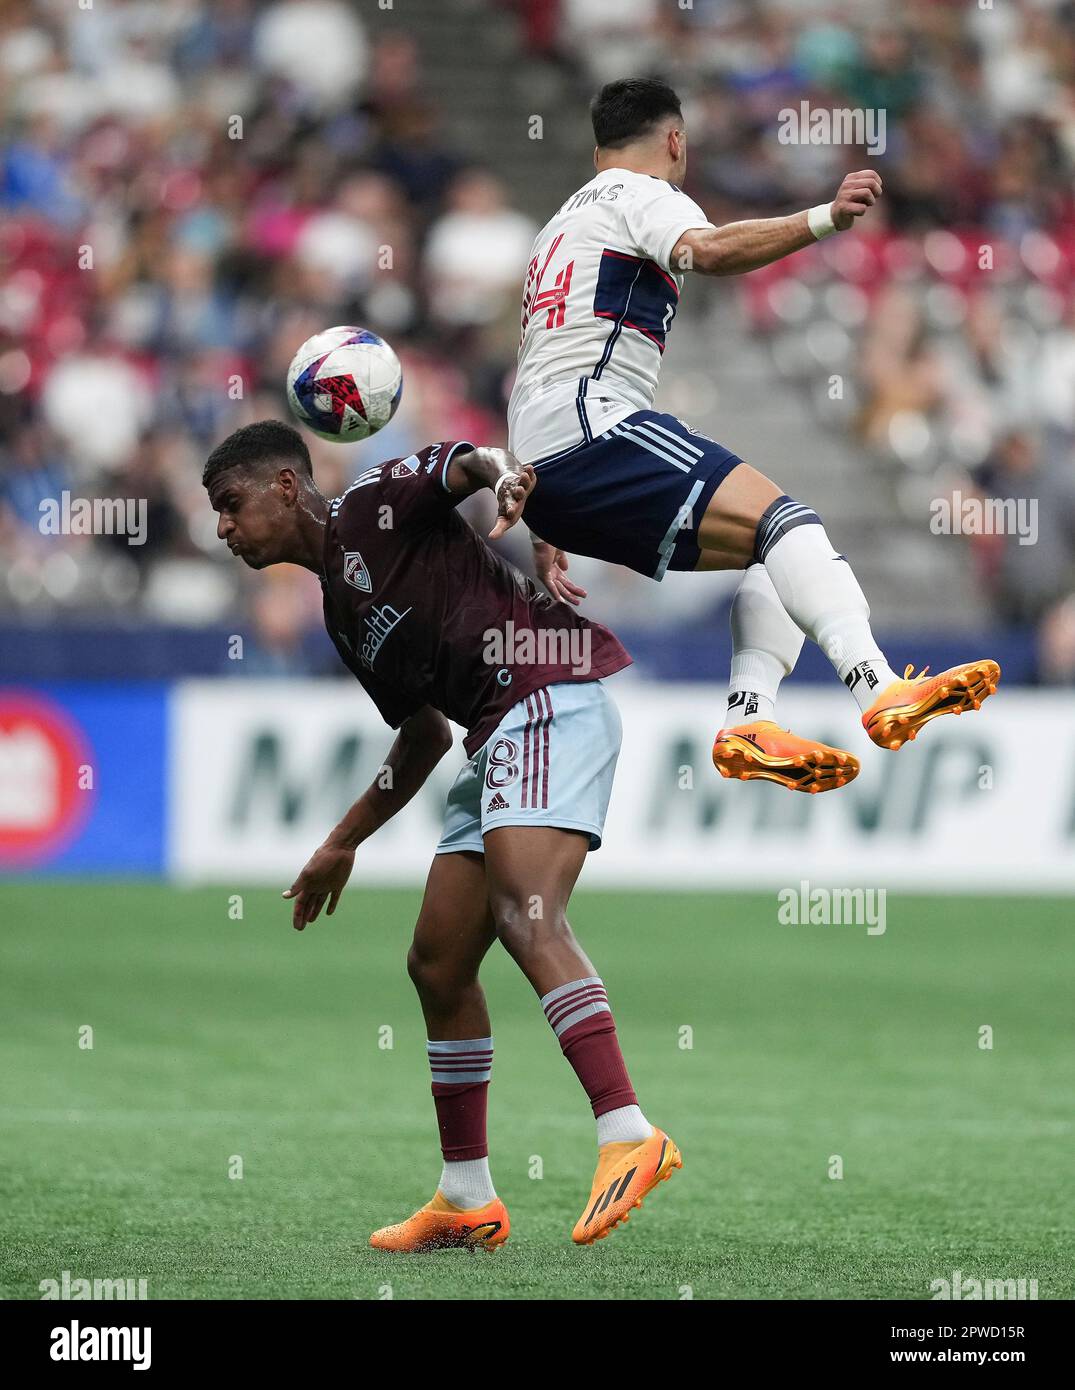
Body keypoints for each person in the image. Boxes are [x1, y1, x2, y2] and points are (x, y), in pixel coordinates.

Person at [203, 419, 681, 1250]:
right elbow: (422, 737)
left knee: (526, 915)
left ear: (286, 486)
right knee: (436, 960)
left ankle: (627, 1130)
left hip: (546, 692)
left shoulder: (373, 506)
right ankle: (467, 1198)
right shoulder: (341, 616)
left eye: (230, 504)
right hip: (493, 733)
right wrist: (341, 840)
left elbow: (473, 462)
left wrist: (511, 493)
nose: (222, 528)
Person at [508, 77, 999, 793]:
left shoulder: (554, 230)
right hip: (595, 426)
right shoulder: (642, 194)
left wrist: (540, 515)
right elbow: (706, 252)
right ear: (674, 141)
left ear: (594, 148)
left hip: (548, 458)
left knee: (777, 555)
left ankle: (748, 720)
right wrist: (825, 218)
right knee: (788, 521)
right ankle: (876, 688)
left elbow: (533, 364)